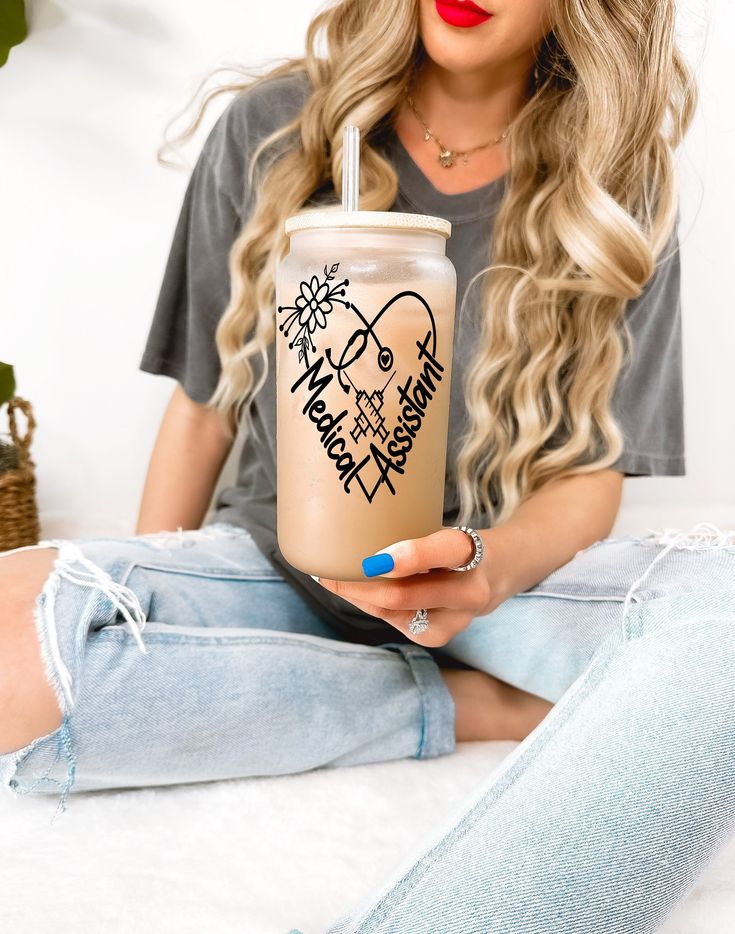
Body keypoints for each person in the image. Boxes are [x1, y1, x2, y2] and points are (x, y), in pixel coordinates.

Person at [1, 0, 733, 930]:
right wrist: (155, 591)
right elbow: (201, 410)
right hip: (274, 558)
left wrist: (487, 567)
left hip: (491, 577)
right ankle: (467, 711)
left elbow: (592, 472)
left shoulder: (611, 181)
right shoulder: (275, 130)